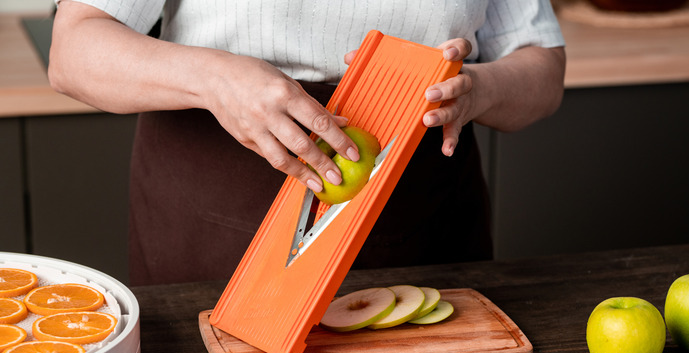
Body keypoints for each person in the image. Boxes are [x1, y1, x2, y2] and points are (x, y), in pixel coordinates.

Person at [48, 1, 566, 286]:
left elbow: (542, 64)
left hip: (428, 224)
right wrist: (215, 78)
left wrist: (482, 88)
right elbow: (74, 49)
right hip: (213, 217)